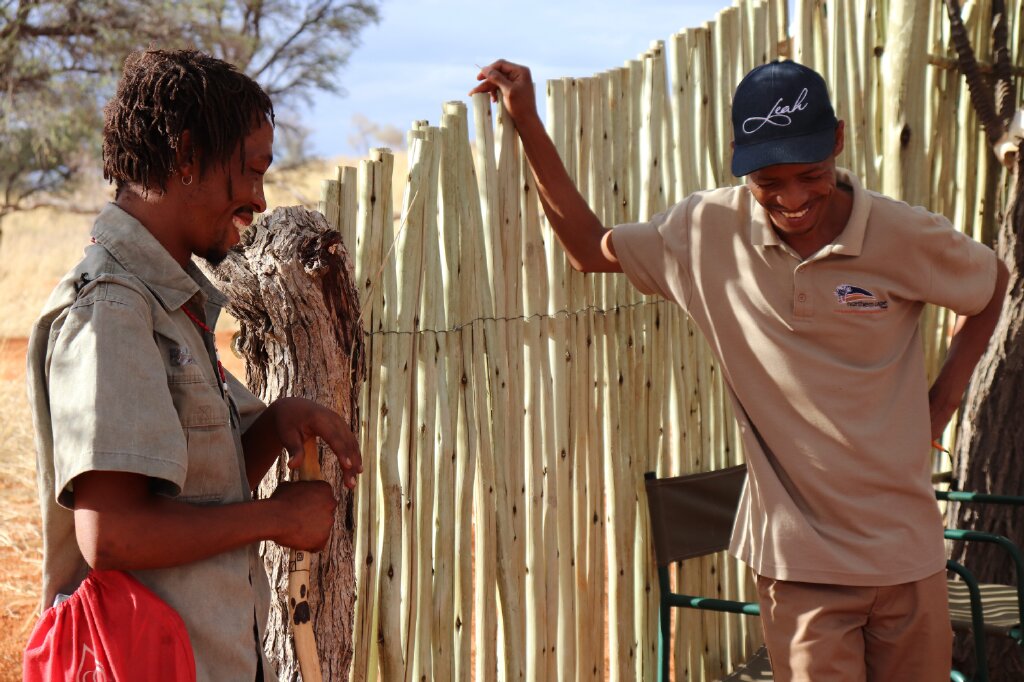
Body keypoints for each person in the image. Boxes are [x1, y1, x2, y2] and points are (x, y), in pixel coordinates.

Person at [471, 58, 1009, 680]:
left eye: (811, 175)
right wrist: (528, 121)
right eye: (767, 180)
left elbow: (992, 282)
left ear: (837, 139)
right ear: (737, 156)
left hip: (908, 556)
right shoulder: (705, 233)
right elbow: (592, 249)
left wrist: (938, 406)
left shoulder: (903, 235)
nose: (793, 198)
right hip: (798, 566)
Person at [26, 49, 362, 682]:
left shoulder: (167, 302)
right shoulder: (113, 313)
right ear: (185, 157)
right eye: (251, 173)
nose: (259, 201)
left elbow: (184, 488)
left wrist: (274, 424)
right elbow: (114, 533)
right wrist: (277, 519)